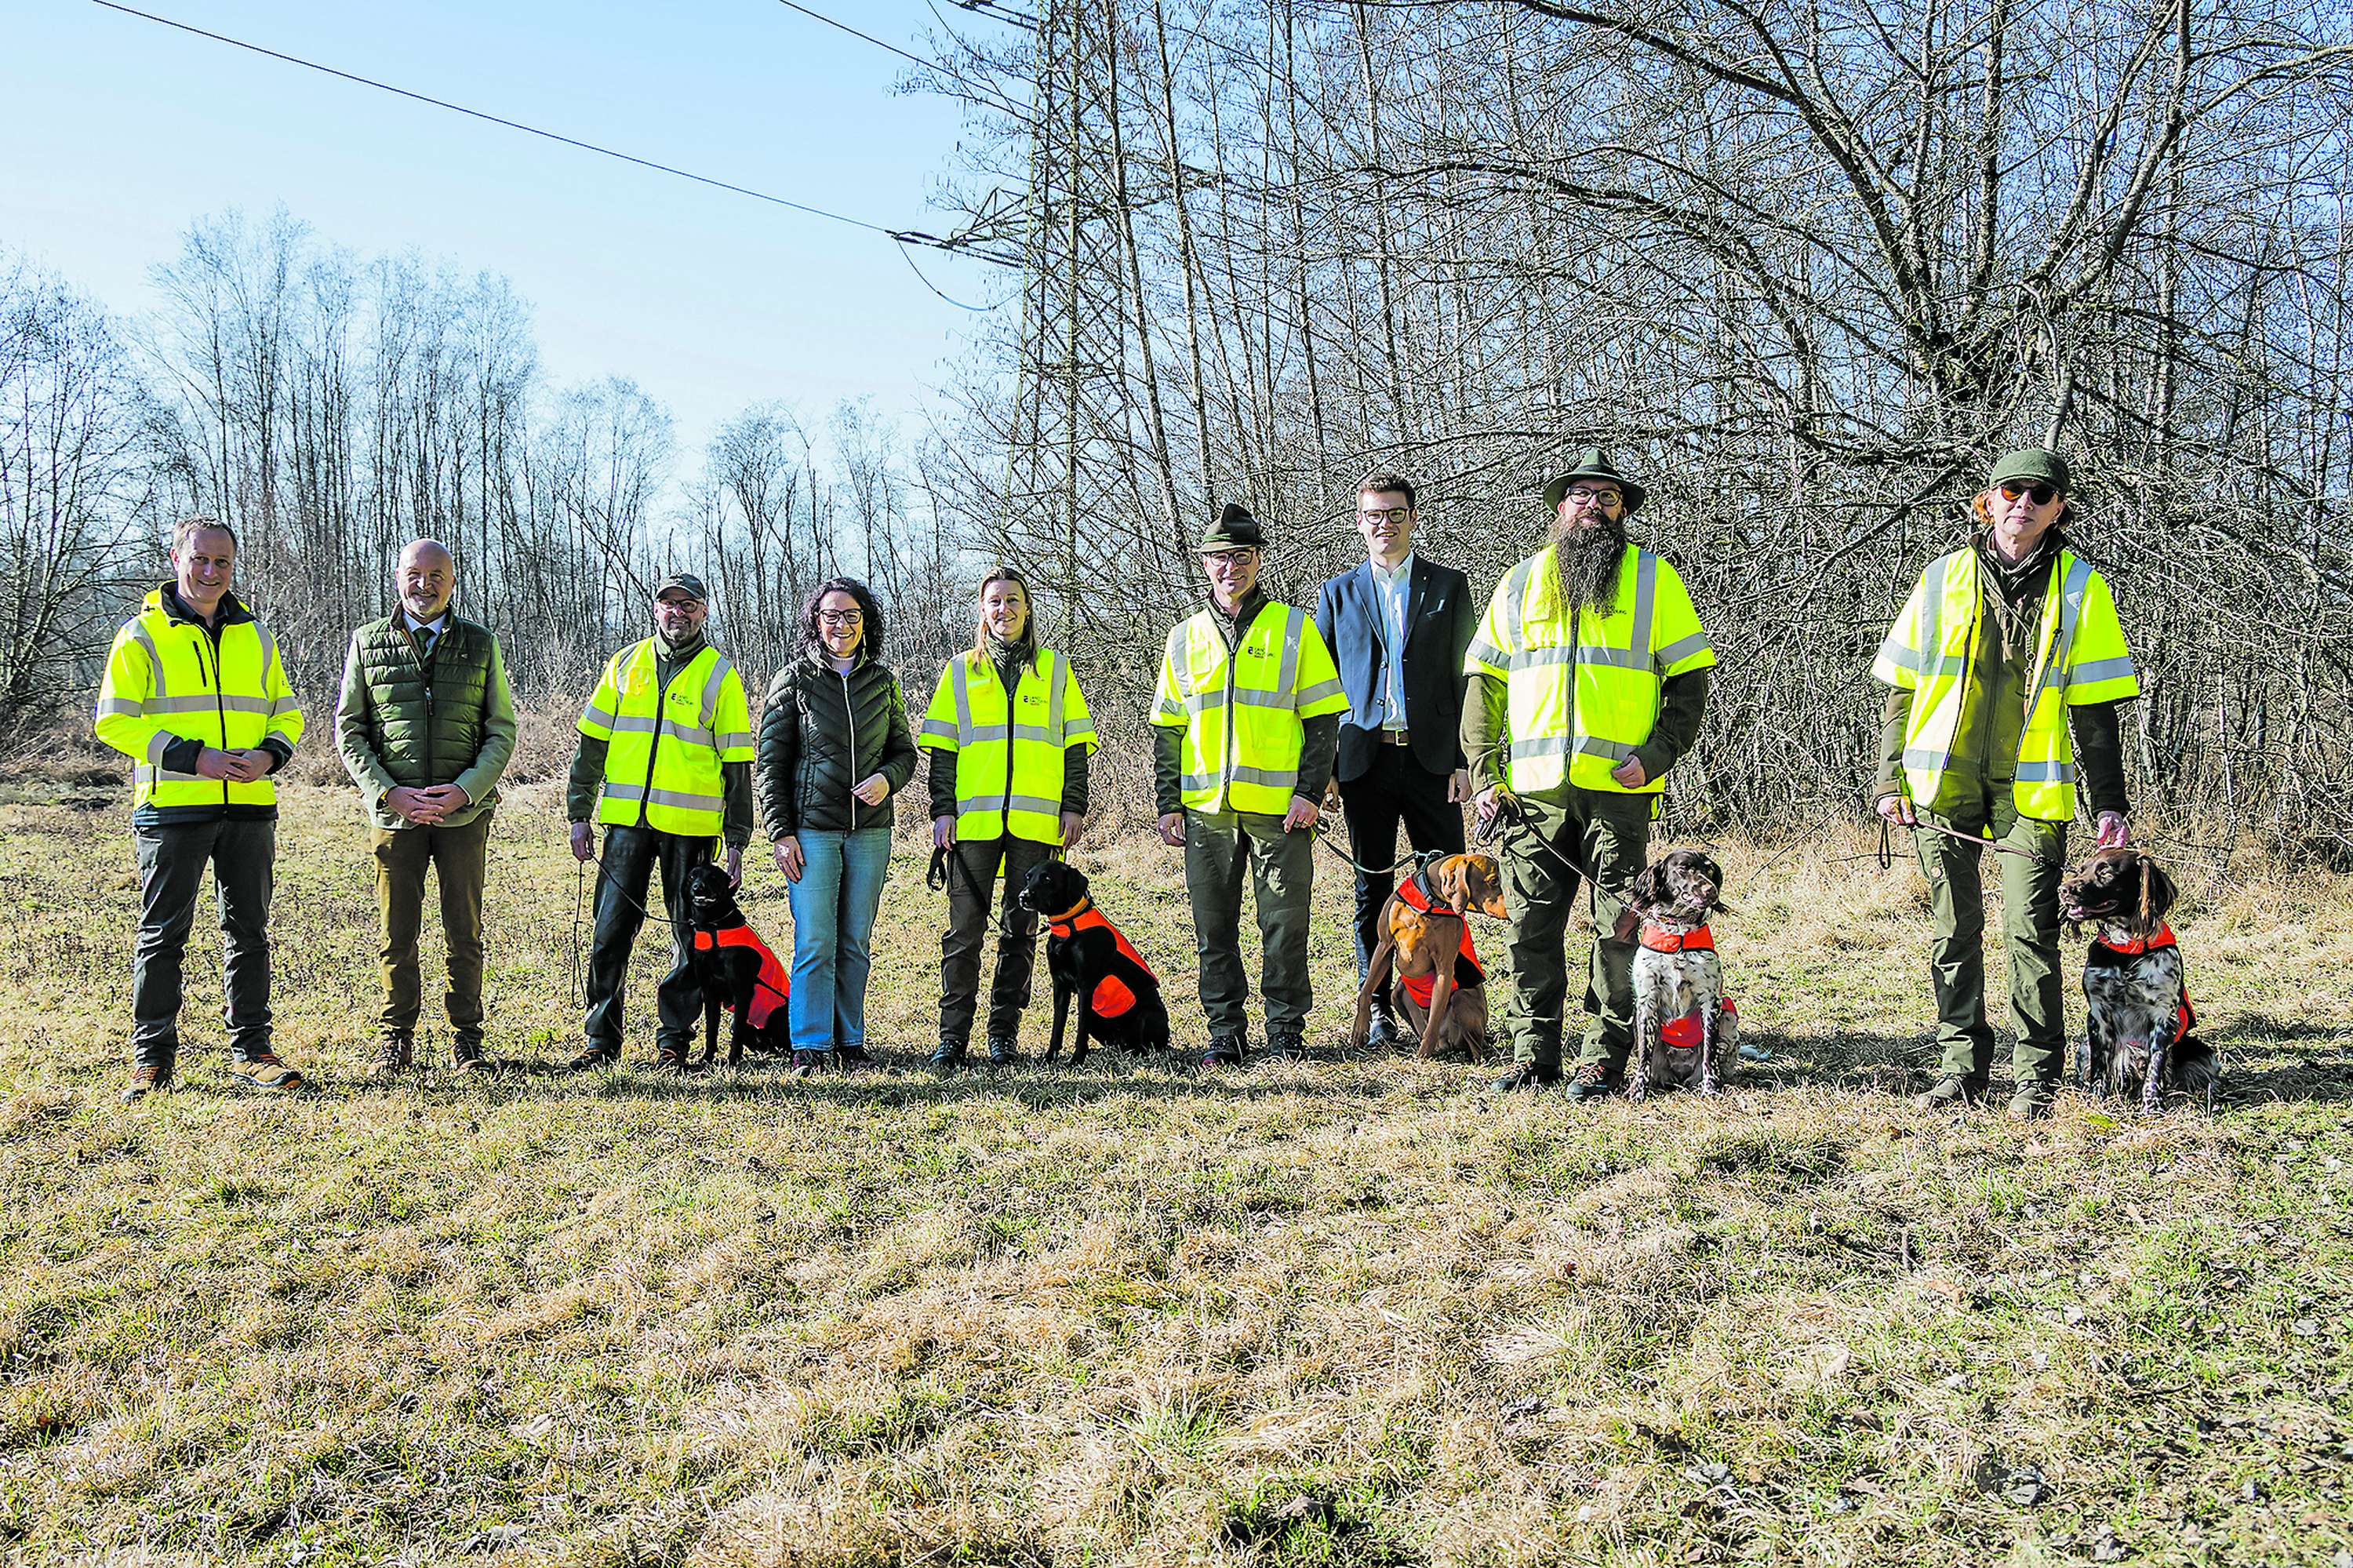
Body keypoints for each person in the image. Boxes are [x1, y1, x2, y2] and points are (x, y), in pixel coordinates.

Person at [1871, 447, 2139, 1119]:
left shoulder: (2081, 587)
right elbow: (1901, 691)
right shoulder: (1939, 578)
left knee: (2031, 928)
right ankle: (1962, 1067)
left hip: (2032, 790)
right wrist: (1888, 778)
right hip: (1939, 784)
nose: (2024, 504)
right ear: (1985, 501)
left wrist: (2111, 802)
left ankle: (2037, 1076)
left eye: (2040, 495)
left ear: (2059, 511)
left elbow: (2096, 707)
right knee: (1953, 930)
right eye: (2011, 491)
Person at [1464, 449, 1715, 1099]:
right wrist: (1485, 772)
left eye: (1606, 497)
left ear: (1623, 510)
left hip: (1619, 792)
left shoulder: (1655, 580)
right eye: (1580, 495)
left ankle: (1603, 1055)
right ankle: (1532, 1053)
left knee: (1620, 929)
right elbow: (1485, 685)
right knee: (1529, 929)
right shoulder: (1521, 581)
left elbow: (1690, 684)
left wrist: (1655, 757)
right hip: (1532, 797)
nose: (1592, 507)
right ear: (1559, 508)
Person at [94, 515, 306, 1101]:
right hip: (173, 808)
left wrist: (268, 756)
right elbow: (113, 719)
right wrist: (194, 759)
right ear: (175, 558)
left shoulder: (257, 636)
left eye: (223, 563)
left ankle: (253, 1051)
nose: (211, 572)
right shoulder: (139, 635)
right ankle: (153, 1058)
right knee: (163, 935)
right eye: (200, 560)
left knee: (250, 933)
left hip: (249, 808)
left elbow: (287, 714)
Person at [1151, 504, 1350, 1067]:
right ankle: (1226, 1033)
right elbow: (1167, 727)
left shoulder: (1294, 627)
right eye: (1219, 558)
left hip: (1279, 812)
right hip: (1206, 813)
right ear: (1206, 565)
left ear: (1258, 559)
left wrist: (1310, 792)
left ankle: (1285, 1030)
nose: (1230, 567)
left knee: (1284, 927)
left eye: (1241, 556)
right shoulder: (1183, 637)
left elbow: (1322, 719)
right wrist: (1169, 802)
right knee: (1213, 929)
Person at [335, 539, 518, 1076]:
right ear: (398, 578)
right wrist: (390, 792)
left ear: (452, 581)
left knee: (465, 930)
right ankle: (396, 1036)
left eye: (436, 574)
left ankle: (468, 1038)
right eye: (414, 574)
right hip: (395, 816)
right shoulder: (367, 642)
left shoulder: (480, 644)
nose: (424, 584)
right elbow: (350, 730)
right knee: (397, 932)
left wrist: (467, 789)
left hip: (464, 815)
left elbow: (501, 729)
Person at [566, 573, 756, 1072]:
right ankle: (600, 1039)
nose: (678, 612)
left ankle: (675, 1039)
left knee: (690, 939)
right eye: (668, 603)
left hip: (691, 829)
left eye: (688, 604)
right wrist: (579, 813)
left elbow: (737, 764)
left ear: (704, 611)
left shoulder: (719, 674)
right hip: (626, 824)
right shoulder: (625, 664)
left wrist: (736, 840)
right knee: (609, 932)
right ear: (655, 609)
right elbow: (592, 744)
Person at [1314, 472, 1476, 1048]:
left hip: (1434, 761)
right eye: (1374, 514)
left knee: (1451, 890)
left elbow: (1466, 678)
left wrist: (1464, 760)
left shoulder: (1449, 587)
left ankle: (1454, 1005)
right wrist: (1324, 768)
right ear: (1359, 522)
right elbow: (1320, 688)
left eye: (1396, 513)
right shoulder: (1337, 594)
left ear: (1413, 518)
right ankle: (1378, 1008)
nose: (1385, 524)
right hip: (1365, 760)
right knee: (1373, 889)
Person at [917, 569, 1098, 1071]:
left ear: (1027, 607)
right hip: (972, 825)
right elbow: (943, 751)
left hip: (1036, 825)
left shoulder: (1057, 671)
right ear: (982, 608)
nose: (1004, 610)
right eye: (994, 601)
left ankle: (1003, 1036)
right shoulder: (958, 672)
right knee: (963, 934)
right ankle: (952, 1038)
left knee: (1020, 932)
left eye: (1013, 600)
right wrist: (942, 811)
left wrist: (1073, 804)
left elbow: (1076, 745)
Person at [756, 577, 918, 1076]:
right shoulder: (794, 680)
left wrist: (887, 780)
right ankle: (810, 1042)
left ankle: (850, 1040)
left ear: (865, 620)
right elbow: (770, 762)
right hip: (811, 832)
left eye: (851, 615)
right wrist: (780, 831)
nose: (841, 625)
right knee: (816, 941)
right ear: (815, 621)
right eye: (831, 615)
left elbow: (904, 752)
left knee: (855, 942)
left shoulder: (883, 682)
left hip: (871, 831)